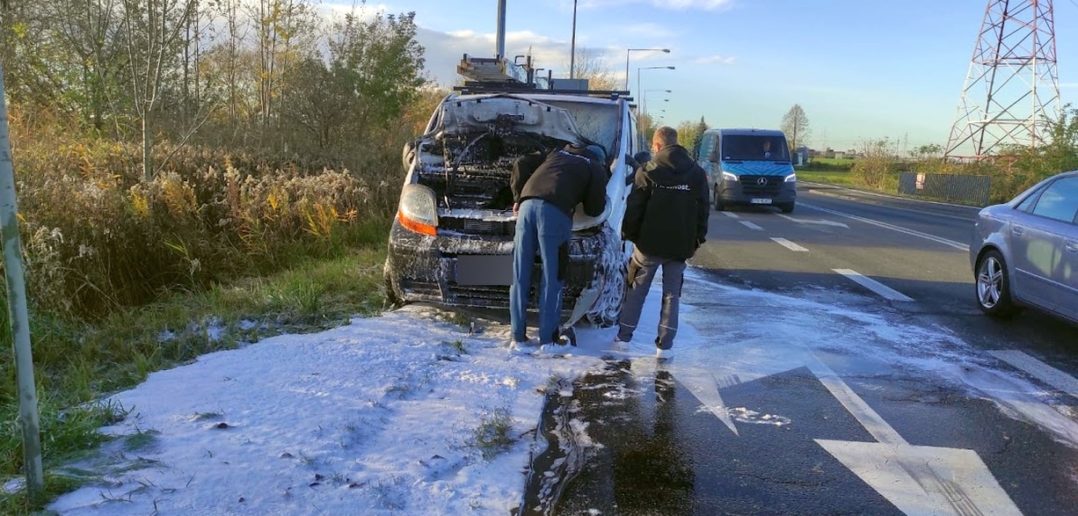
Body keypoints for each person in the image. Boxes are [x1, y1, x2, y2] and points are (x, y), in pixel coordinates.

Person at [615, 126, 709, 360]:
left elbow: (635, 208)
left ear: (657, 146)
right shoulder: (696, 172)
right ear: (676, 143)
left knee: (636, 290)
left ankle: (624, 338)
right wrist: (697, 239)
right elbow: (703, 210)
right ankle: (664, 348)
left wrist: (630, 235)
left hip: (648, 244)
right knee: (672, 295)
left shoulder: (648, 170)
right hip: (680, 246)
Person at [509, 143, 608, 352]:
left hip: (526, 208)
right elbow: (594, 209)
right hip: (554, 213)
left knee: (519, 275)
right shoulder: (594, 166)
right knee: (553, 277)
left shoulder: (556, 152)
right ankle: (548, 341)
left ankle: (518, 338)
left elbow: (521, 162)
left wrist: (518, 197)